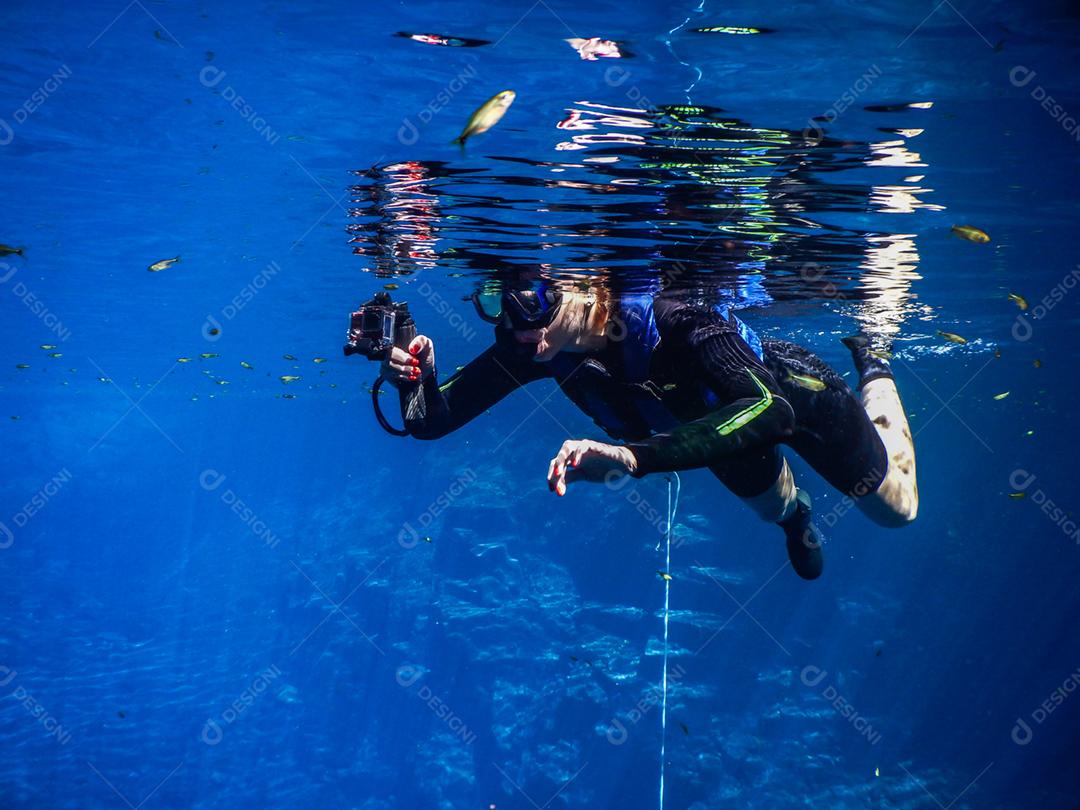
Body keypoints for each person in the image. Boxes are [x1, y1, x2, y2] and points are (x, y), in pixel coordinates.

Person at [377, 284, 918, 579]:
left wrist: (631, 459)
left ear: (580, 284)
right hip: (715, 435)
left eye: (534, 300)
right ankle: (797, 516)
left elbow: (770, 408)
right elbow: (433, 420)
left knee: (896, 510)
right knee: (776, 507)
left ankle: (874, 359)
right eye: (497, 299)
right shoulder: (537, 346)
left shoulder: (671, 315)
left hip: (796, 395)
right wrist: (413, 376)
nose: (515, 322)